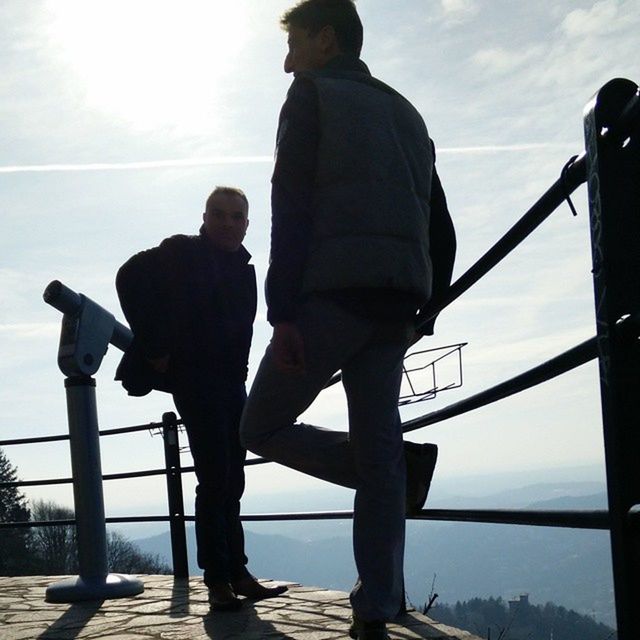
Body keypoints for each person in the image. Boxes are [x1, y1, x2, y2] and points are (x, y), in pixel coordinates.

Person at [239, 1, 456, 638]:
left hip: (329, 299)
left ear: (326, 40)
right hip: (396, 306)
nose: (287, 62)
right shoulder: (408, 113)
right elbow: (439, 223)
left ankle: (383, 464)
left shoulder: (312, 96)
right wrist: (431, 303)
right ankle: (378, 604)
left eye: (295, 45)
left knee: (259, 424)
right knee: (381, 451)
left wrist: (281, 311)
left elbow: (290, 204)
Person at [114, 186, 287, 610]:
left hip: (231, 386)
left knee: (234, 479)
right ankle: (217, 581)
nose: (228, 223)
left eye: (237, 216)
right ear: (205, 217)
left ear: (247, 224)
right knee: (215, 478)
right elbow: (127, 277)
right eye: (220, 215)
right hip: (197, 383)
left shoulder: (243, 268)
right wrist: (154, 347)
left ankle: (238, 572)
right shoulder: (182, 252)